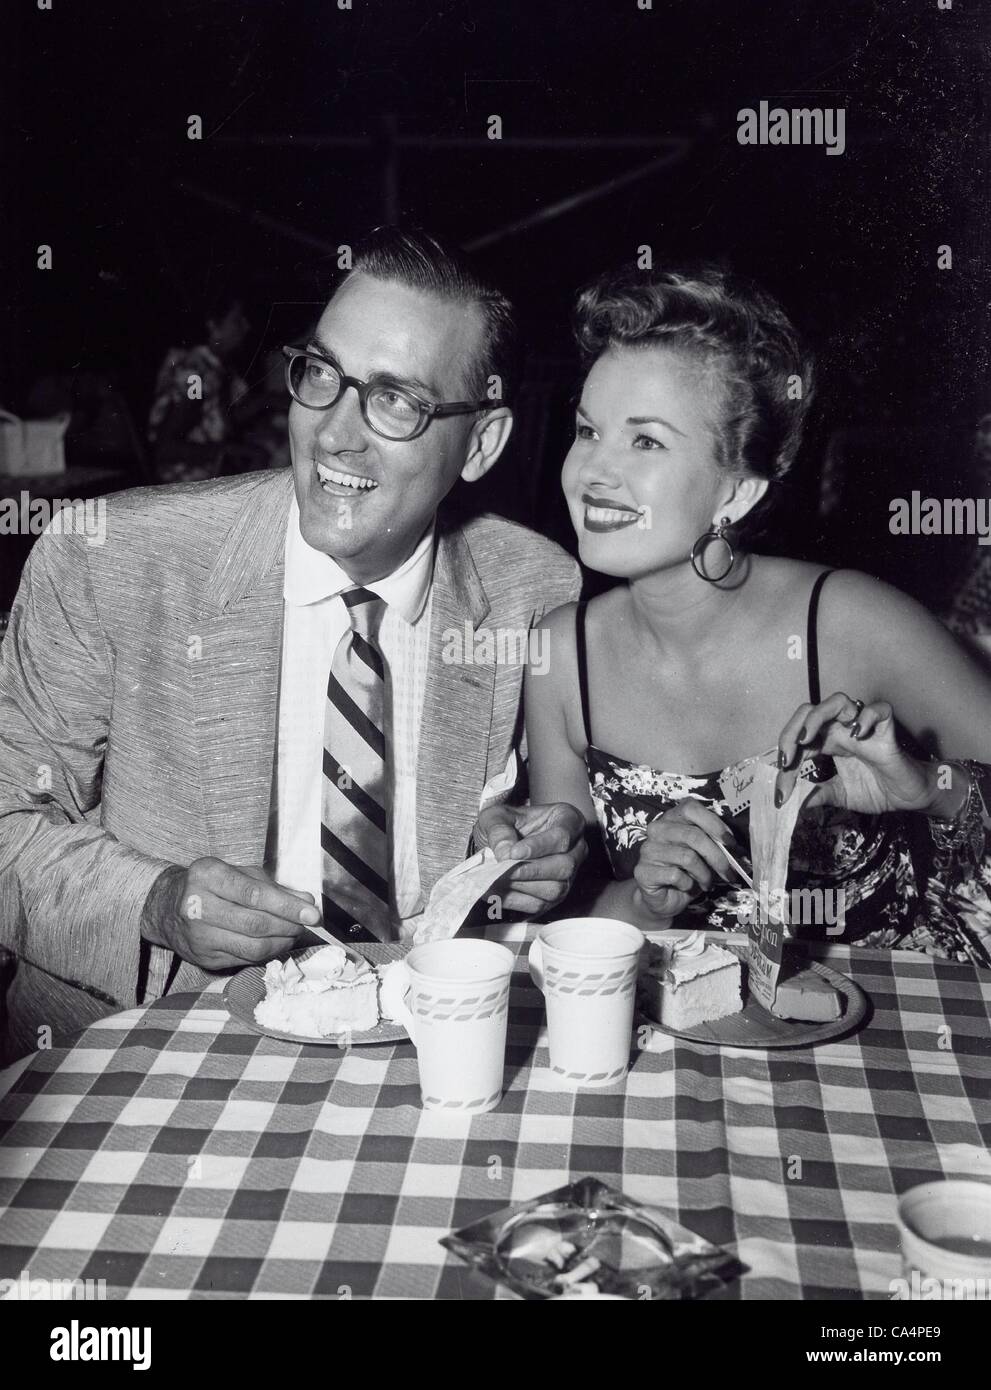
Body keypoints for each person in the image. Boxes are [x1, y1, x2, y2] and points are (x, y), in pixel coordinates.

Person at [0, 228, 586, 1061]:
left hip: (421, 1046)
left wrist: (525, 852)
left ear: (482, 442)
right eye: (323, 375)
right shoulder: (109, 557)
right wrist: (159, 902)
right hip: (140, 1059)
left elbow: (517, 818)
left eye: (396, 401)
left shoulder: (533, 588)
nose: (335, 435)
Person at [526, 264, 991, 959]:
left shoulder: (854, 623)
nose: (591, 469)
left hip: (897, 1030)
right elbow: (571, 912)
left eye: (644, 440)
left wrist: (926, 788)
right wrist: (648, 899)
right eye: (587, 430)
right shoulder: (560, 655)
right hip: (686, 1042)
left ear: (736, 494)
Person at [146, 291, 253, 482]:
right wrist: (227, 451)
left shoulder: (219, 368)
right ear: (213, 326)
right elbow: (167, 447)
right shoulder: (195, 374)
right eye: (237, 320)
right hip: (183, 482)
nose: (246, 327)